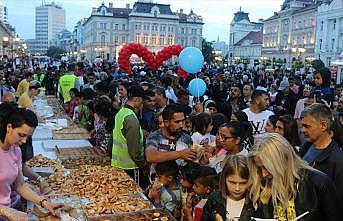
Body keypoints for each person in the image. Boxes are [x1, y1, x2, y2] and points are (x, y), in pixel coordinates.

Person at [248, 133, 343, 220]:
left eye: (267, 167)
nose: (264, 174)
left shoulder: (318, 182)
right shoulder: (261, 183)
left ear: (283, 161)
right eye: (259, 168)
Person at [0, 108, 64, 220]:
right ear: (9, 127)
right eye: (21, 135)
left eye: (28, 137)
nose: (24, 141)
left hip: (13, 206)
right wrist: (7, 211)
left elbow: (19, 185)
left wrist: (43, 202)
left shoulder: (16, 151)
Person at [299, 103, 343, 202]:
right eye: (302, 126)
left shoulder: (338, 162)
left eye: (307, 126)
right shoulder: (305, 147)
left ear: (323, 126)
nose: (302, 130)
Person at [145, 104, 196, 181]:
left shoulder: (187, 138)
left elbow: (190, 163)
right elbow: (151, 156)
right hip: (158, 185)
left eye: (183, 120)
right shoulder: (155, 137)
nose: (181, 125)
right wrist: (180, 154)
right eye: (177, 122)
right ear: (166, 123)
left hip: (180, 186)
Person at [111, 84, 146, 187]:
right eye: (142, 101)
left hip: (117, 164)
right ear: (137, 99)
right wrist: (142, 164)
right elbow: (134, 150)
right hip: (130, 167)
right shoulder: (131, 118)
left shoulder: (121, 112)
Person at [201, 155, 254, 221]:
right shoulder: (215, 199)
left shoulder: (255, 202)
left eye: (243, 183)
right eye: (232, 182)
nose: (237, 188)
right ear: (224, 179)